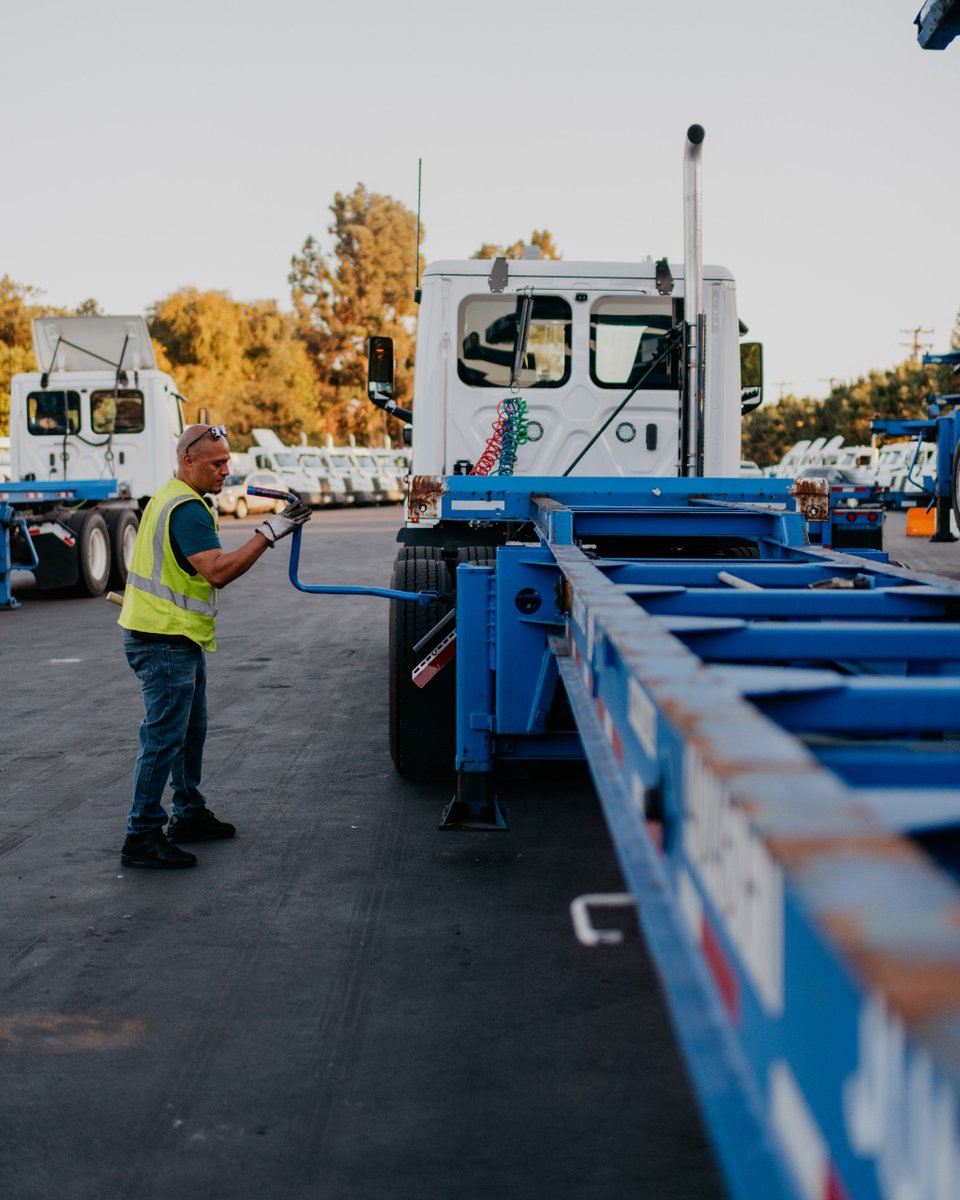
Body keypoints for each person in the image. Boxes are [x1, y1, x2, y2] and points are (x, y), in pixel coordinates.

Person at [117, 423, 311, 869]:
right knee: (163, 737)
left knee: (190, 731)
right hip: (162, 640)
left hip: (174, 635)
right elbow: (218, 571)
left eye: (228, 461)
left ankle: (187, 813)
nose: (227, 470)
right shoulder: (187, 509)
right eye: (217, 463)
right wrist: (269, 531)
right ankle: (141, 836)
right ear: (188, 461)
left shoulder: (169, 495)